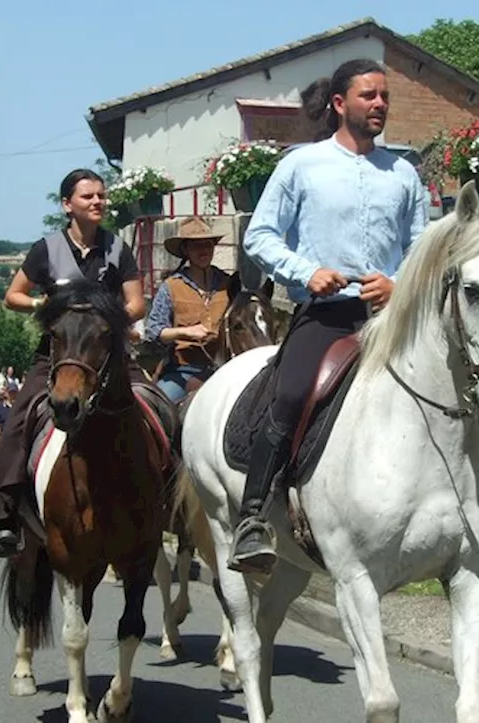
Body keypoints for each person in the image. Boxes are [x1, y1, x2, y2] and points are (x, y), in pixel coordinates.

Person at [227, 58, 429, 575]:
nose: (380, 104)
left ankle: (462, 519)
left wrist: (400, 282)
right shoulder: (301, 165)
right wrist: (307, 270)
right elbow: (260, 235)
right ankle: (253, 518)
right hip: (326, 315)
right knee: (292, 393)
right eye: (369, 96)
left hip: (391, 315)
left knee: (450, 388)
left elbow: (423, 246)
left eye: (384, 96)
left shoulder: (404, 173)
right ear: (340, 104)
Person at [0, 168, 146, 557]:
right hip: (57, 355)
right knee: (18, 423)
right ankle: (7, 515)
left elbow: (137, 302)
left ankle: (169, 502)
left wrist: (117, 317)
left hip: (106, 355)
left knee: (156, 408)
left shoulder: (117, 248)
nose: (98, 202)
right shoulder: (46, 249)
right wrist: (45, 304)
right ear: (67, 204)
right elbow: (13, 296)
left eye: (101, 196)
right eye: (88, 197)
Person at [144, 216, 232, 403]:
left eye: (207, 245)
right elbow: (153, 330)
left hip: (225, 369)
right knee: (158, 407)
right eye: (196, 246)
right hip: (183, 371)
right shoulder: (171, 287)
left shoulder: (229, 284)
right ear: (185, 250)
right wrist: (186, 332)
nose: (203, 251)